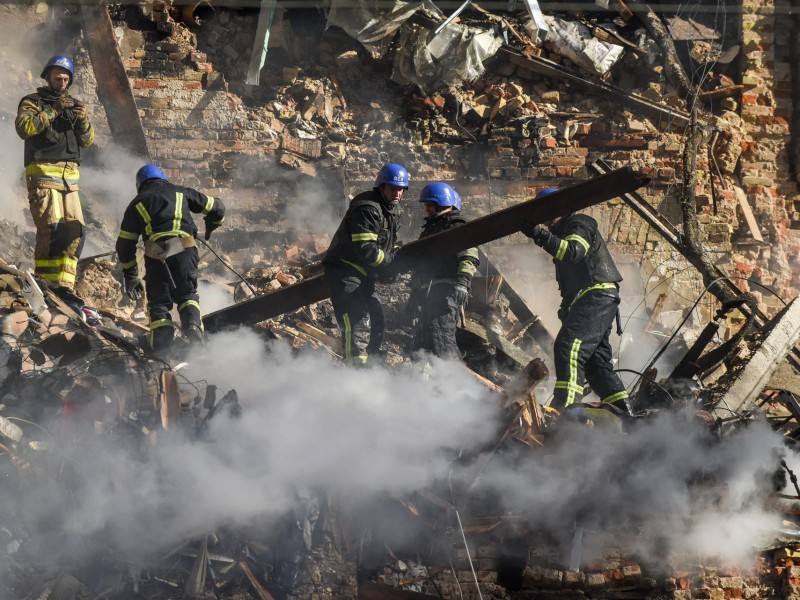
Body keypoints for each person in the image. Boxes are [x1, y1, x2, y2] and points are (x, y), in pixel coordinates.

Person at [521, 187, 630, 413]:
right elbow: (573, 276)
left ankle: (565, 410)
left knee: (568, 347)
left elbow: (573, 253)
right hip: (592, 297)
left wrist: (538, 234)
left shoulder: (579, 223)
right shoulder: (563, 230)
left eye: (546, 209)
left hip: (597, 294)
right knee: (596, 366)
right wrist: (565, 307)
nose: (544, 216)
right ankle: (625, 413)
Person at [116, 165, 225, 352]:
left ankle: (160, 342)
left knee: (159, 302)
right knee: (187, 294)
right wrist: (212, 224)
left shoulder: (137, 203)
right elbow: (217, 207)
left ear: (139, 184)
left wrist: (131, 275)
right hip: (184, 248)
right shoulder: (181, 192)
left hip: (156, 255)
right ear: (164, 178)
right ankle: (193, 328)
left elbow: (125, 245)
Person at [15, 55, 95, 290]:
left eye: (66, 78)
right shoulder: (33, 101)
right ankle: (43, 284)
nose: (62, 82)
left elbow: (87, 141)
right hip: (43, 176)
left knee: (75, 230)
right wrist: (52, 111)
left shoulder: (75, 106)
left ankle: (64, 287)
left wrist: (82, 122)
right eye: (58, 78)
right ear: (48, 77)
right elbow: (24, 128)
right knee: (52, 229)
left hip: (70, 180)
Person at [323, 163, 408, 366]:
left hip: (362, 273)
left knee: (377, 318)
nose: (397, 193)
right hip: (345, 269)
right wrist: (389, 263)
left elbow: (387, 245)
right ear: (381, 187)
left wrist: (390, 268)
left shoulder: (390, 211)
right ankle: (356, 370)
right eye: (393, 189)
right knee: (357, 320)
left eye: (400, 189)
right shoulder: (367, 208)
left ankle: (372, 364)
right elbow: (366, 250)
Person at [410, 182, 479, 359]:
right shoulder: (432, 228)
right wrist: (414, 294)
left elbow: (469, 255)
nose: (427, 210)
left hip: (445, 294)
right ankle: (431, 384)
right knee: (426, 342)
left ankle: (454, 383)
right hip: (429, 294)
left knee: (441, 339)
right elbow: (421, 264)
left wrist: (463, 283)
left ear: (441, 203)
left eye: (429, 205)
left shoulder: (455, 225)